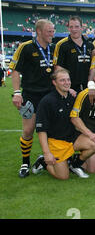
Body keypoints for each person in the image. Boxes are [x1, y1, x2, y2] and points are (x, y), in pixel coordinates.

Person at [32, 68, 95, 179]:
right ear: (54, 82)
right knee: (63, 177)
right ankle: (43, 162)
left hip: (72, 139)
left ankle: (74, 163)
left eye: (68, 80)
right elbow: (41, 130)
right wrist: (46, 153)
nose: (67, 83)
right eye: (62, 80)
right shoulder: (47, 101)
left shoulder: (73, 97)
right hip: (56, 142)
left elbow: (87, 115)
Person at [9, 19, 56, 178]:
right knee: (28, 130)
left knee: (50, 131)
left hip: (50, 96)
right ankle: (25, 162)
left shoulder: (54, 48)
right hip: (31, 95)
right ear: (39, 31)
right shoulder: (26, 47)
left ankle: (46, 159)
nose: (52, 34)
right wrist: (17, 92)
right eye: (49, 31)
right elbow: (15, 71)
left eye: (53, 30)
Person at [54, 16, 95, 93]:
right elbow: (58, 69)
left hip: (87, 88)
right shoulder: (62, 45)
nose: (74, 29)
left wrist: (91, 86)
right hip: (70, 89)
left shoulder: (90, 45)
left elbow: (92, 68)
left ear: (82, 28)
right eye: (71, 27)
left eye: (77, 26)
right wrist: (67, 88)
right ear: (68, 28)